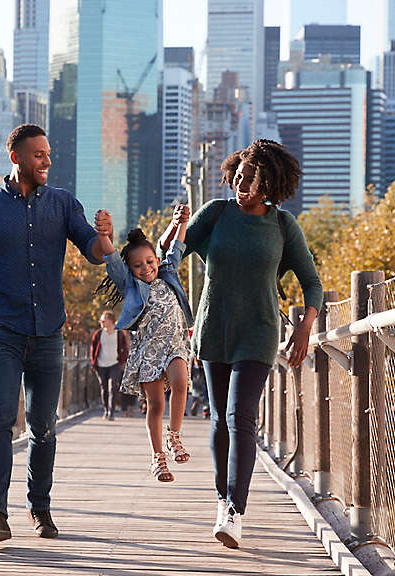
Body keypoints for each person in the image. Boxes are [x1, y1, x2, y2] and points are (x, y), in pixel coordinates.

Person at [0, 124, 114, 544]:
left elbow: (93, 252)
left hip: (48, 335)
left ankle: (40, 507)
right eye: (39, 154)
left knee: (44, 426)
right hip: (0, 331)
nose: (47, 161)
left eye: (49, 154)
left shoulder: (63, 204)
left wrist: (106, 237)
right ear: (16, 157)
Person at [166, 138, 322, 548]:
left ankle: (235, 510)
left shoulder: (283, 225)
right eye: (237, 177)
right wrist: (173, 230)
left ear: (269, 184)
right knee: (219, 419)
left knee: (241, 416)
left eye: (250, 180)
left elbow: (312, 283)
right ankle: (223, 501)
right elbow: (172, 255)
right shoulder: (215, 214)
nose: (241, 185)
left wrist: (304, 328)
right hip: (214, 328)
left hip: (259, 331)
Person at [94, 205, 194, 483]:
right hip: (148, 349)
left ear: (156, 260)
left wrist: (181, 222)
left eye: (150, 262)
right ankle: (158, 458)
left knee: (181, 381)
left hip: (174, 344)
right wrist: (103, 234)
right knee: (156, 404)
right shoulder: (130, 284)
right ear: (131, 269)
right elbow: (112, 257)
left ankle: (174, 437)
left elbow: (177, 246)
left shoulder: (168, 271)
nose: (146, 268)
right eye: (138, 266)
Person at [91, 310, 129, 420]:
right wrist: (94, 363)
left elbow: (125, 348)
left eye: (104, 320)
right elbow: (93, 349)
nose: (101, 322)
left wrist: (122, 361)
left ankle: (111, 413)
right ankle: (106, 410)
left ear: (111, 320)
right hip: (101, 365)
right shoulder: (98, 334)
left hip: (114, 364)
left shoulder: (119, 333)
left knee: (113, 387)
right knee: (104, 388)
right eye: (101, 320)